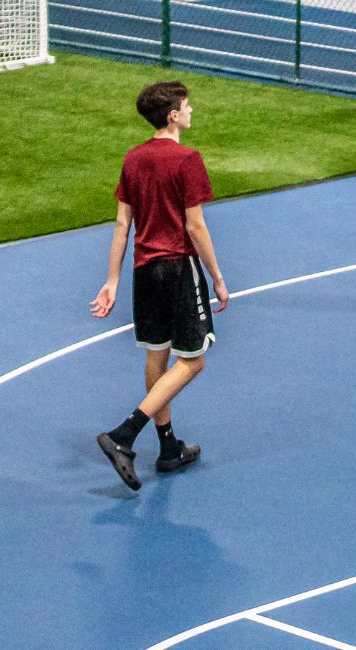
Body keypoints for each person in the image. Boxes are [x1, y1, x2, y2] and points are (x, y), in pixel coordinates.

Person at [89, 81, 229, 491]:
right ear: (172, 115)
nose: (191, 111)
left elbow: (122, 224)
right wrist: (217, 278)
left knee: (158, 353)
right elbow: (195, 225)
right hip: (178, 268)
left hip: (144, 270)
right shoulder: (187, 159)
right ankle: (124, 435)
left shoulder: (134, 159)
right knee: (193, 361)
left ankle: (168, 448)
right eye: (187, 106)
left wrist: (112, 280)